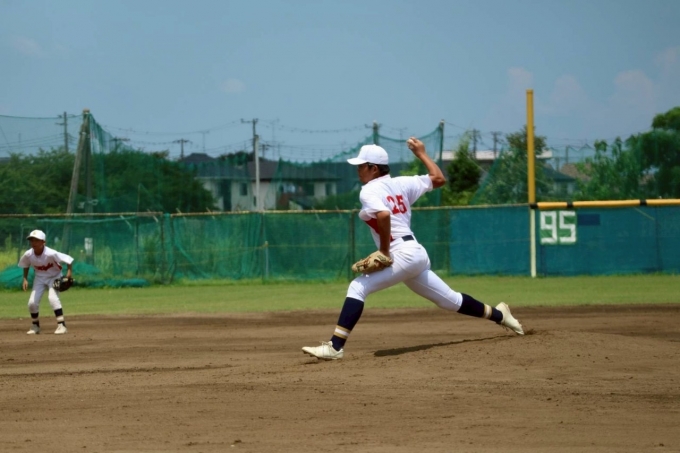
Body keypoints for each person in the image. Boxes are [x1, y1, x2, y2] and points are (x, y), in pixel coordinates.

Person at [302, 138, 524, 360]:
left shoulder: (369, 190)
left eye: (361, 166)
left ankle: (335, 347)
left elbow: (384, 215)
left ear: (374, 168)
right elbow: (439, 179)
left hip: (402, 253)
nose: (358, 170)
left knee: (357, 287)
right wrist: (422, 154)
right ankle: (500, 315)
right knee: (450, 300)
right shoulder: (403, 183)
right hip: (414, 252)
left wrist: (384, 252)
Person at [18, 230, 74, 335]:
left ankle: (62, 326)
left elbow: (68, 259)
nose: (33, 243)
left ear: (43, 242)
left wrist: (69, 273)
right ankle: (35, 326)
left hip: (54, 276)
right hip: (39, 278)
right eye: (31, 240)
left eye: (36, 240)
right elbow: (25, 264)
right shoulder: (28, 254)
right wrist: (25, 278)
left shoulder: (50, 253)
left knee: (52, 298)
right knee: (32, 303)